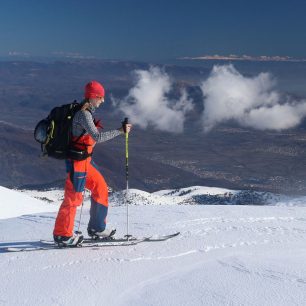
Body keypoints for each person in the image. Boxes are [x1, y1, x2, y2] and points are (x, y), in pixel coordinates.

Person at [53, 80, 132, 247]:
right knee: (73, 198)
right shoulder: (84, 114)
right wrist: (120, 131)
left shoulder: (85, 111)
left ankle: (97, 228)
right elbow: (98, 137)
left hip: (85, 161)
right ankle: (62, 234)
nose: (103, 101)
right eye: (101, 97)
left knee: (101, 187)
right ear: (93, 96)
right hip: (77, 163)